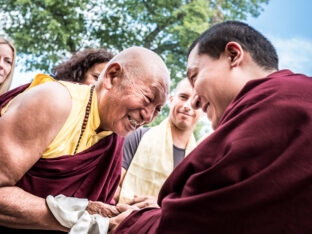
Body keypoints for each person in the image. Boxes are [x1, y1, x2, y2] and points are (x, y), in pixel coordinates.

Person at [111, 21, 312, 234]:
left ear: (233, 56)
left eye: (195, 76)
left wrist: (139, 222)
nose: (194, 102)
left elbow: (198, 222)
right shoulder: (292, 98)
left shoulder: (275, 111)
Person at [0, 46, 170, 233]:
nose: (148, 117)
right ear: (112, 76)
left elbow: (97, 201)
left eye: (157, 109)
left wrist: (122, 213)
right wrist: (81, 217)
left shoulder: (114, 136)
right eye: (147, 99)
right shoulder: (55, 101)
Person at [116, 78, 202, 204]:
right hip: (121, 219)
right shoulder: (137, 136)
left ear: (204, 110)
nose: (187, 106)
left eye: (197, 102)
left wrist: (159, 207)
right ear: (171, 100)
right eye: (183, 97)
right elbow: (111, 186)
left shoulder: (199, 160)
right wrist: (137, 209)